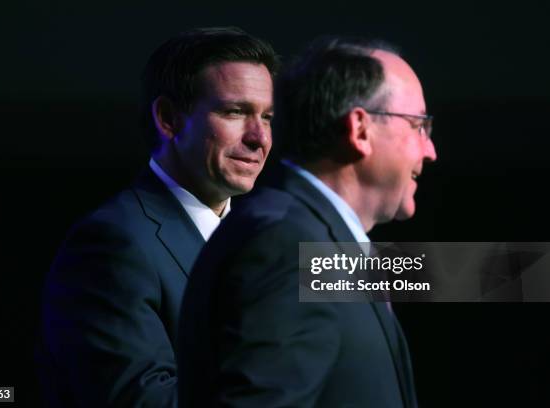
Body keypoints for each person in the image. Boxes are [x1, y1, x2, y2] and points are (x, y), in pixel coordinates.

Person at [178, 37, 437, 408]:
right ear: (360, 129)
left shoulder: (312, 238)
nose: (430, 151)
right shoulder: (286, 243)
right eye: (418, 126)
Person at [38, 27, 278, 407]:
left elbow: (384, 275)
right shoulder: (113, 242)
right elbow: (142, 401)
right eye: (235, 111)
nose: (259, 138)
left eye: (266, 117)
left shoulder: (262, 234)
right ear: (168, 119)